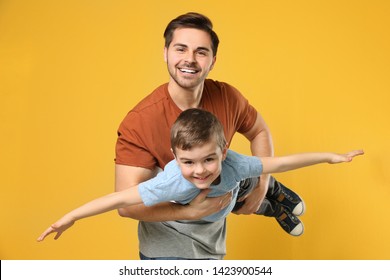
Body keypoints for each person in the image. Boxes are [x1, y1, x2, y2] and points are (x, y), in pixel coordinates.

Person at [114, 12, 303, 260]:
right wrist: (187, 213)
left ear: (212, 60)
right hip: (167, 250)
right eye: (180, 49)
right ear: (165, 53)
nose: (189, 59)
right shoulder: (140, 120)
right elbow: (126, 205)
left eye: (201, 52)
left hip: (214, 238)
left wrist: (262, 184)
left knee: (230, 167)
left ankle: (270, 194)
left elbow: (259, 131)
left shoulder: (227, 97)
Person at [37, 109, 363, 243]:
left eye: (208, 159)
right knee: (237, 205)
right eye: (188, 162)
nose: (200, 170)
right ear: (176, 158)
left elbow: (280, 162)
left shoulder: (232, 162)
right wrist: (71, 217)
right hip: (214, 207)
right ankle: (274, 208)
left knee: (249, 186)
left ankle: (273, 195)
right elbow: (119, 198)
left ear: (222, 152)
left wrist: (329, 157)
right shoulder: (172, 180)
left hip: (233, 188)